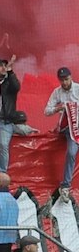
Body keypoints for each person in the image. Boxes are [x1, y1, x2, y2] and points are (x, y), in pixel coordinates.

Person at [47, 67, 79, 195]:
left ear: (71, 77)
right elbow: (46, 111)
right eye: (62, 80)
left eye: (66, 79)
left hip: (77, 126)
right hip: (68, 130)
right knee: (71, 152)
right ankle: (66, 185)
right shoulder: (57, 92)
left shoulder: (78, 89)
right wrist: (57, 108)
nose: (64, 82)